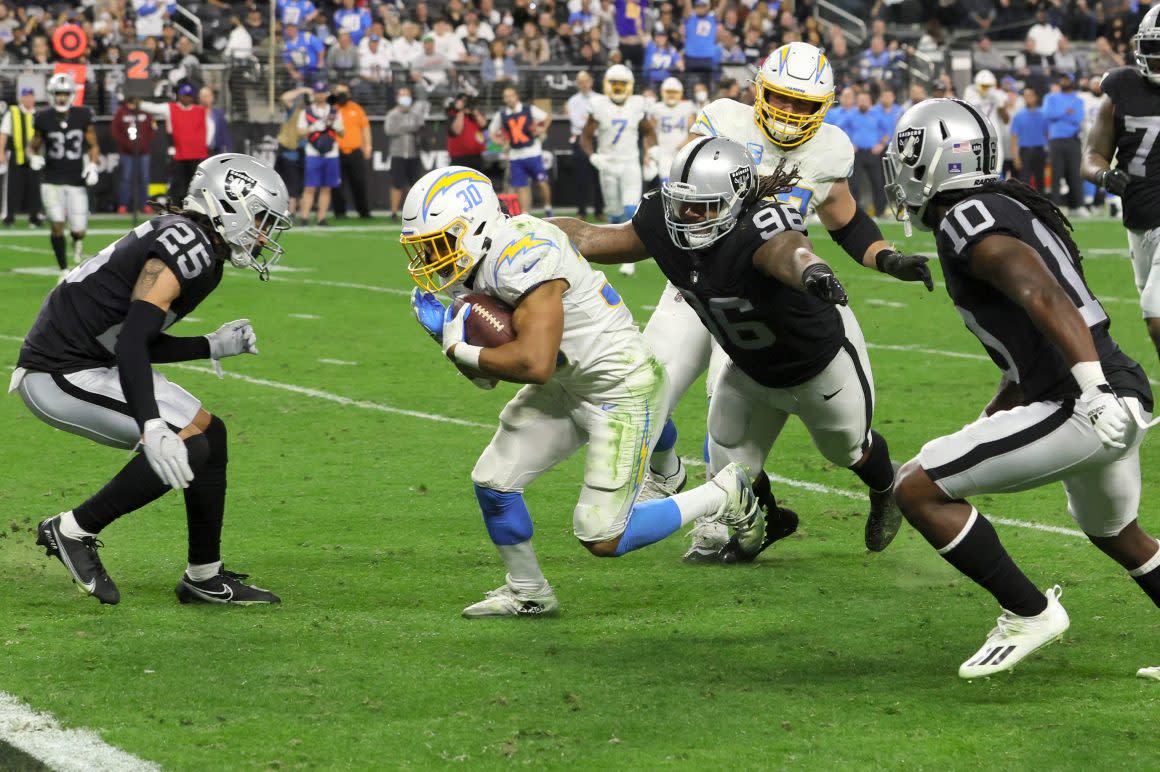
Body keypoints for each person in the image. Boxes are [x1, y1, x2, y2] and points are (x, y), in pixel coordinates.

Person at [402, 166, 760, 616]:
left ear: (473, 226)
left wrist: (457, 347)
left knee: (602, 535)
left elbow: (533, 363)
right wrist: (455, 346)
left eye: (437, 244)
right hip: (570, 382)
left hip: (621, 387)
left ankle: (724, 491)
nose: (429, 259)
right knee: (493, 483)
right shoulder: (476, 262)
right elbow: (492, 376)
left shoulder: (523, 255)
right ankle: (529, 591)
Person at [883, 98, 1158, 679]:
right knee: (1118, 534)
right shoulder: (1001, 202)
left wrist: (1088, 390)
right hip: (1113, 385)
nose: (900, 168)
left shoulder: (965, 215)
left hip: (1083, 401)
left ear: (939, 159)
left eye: (909, 156)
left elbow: (1041, 295)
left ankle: (1028, 612)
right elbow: (1031, 335)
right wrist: (1001, 408)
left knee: (917, 488)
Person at [554, 137, 900, 564]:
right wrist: (528, 233)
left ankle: (887, 488)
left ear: (737, 200)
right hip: (751, 368)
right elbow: (594, 237)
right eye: (683, 205)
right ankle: (771, 520)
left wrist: (813, 273)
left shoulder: (761, 225)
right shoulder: (665, 220)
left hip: (819, 366)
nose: (689, 216)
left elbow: (790, 252)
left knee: (847, 449)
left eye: (704, 206)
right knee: (729, 459)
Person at [649, 41, 931, 560]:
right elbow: (685, 181)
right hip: (700, 284)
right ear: (758, 89)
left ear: (824, 108)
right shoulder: (722, 121)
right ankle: (704, 491)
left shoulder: (828, 150)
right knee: (658, 395)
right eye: (781, 98)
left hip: (772, 297)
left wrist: (887, 258)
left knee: (818, 439)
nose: (790, 113)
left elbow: (845, 221)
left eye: (805, 105)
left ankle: (756, 513)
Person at [16, 154, 292, 606]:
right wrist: (151, 425)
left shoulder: (195, 242)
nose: (263, 234)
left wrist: (210, 345)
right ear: (229, 202)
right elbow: (130, 346)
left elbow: (133, 337)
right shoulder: (191, 248)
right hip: (58, 372)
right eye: (260, 218)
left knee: (209, 434)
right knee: (185, 443)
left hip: (91, 358)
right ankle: (71, 530)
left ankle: (203, 577)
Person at [1084, 5, 1160, 364]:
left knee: (1155, 312)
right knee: (1152, 311)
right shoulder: (1121, 88)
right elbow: (1093, 154)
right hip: (1138, 216)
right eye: (1155, 49)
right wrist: (1104, 174)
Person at [581, 64, 653, 275]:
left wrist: (654, 151)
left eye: (622, 85)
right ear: (607, 85)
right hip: (608, 162)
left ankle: (629, 259)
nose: (619, 89)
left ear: (629, 86)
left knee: (631, 208)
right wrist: (593, 156)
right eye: (615, 84)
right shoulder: (598, 105)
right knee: (613, 211)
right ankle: (612, 252)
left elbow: (648, 131)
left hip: (630, 161)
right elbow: (585, 136)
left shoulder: (637, 104)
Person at [28, 74, 100, 277]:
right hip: (51, 180)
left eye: (65, 93)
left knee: (79, 230)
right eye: (58, 94)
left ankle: (77, 240)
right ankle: (62, 269)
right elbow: (33, 145)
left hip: (76, 180)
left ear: (71, 95)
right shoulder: (43, 118)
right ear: (52, 95)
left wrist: (93, 165)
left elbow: (93, 145)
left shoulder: (83, 115)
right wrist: (32, 156)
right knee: (57, 224)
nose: (61, 98)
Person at [141, 83, 214, 208]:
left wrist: (205, 144)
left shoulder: (201, 111)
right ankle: (177, 209)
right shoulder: (170, 108)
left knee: (197, 186)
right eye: (184, 96)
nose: (186, 98)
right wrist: (139, 103)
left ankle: (197, 209)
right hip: (180, 155)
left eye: (189, 96)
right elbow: (153, 107)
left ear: (193, 97)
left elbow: (210, 126)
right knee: (178, 186)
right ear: (179, 96)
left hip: (198, 155)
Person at [489, 85, 552, 217]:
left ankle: (548, 207)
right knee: (521, 186)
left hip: (532, 152)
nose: (509, 99)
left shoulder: (528, 109)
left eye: (511, 95)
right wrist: (501, 142)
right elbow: (492, 132)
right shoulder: (502, 115)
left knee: (542, 182)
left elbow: (547, 117)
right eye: (506, 97)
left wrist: (542, 129)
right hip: (515, 155)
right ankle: (525, 213)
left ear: (516, 96)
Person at [297, 81, 345, 227]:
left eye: (322, 92)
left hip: (331, 153)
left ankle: (321, 218)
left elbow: (342, 133)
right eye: (317, 92)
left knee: (326, 187)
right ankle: (304, 217)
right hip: (313, 152)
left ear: (326, 94)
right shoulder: (306, 112)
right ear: (314, 94)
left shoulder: (334, 111)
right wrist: (313, 127)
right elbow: (300, 133)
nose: (320, 95)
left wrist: (337, 127)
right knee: (310, 187)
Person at [1044, 72, 1087, 217]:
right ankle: (1055, 207)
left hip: (1073, 140)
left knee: (1075, 174)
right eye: (1062, 78)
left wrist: (1059, 116)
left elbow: (1077, 118)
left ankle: (1077, 206)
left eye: (1067, 79)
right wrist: (1065, 112)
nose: (1064, 81)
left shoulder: (1078, 100)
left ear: (1072, 81)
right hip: (1056, 140)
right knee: (1056, 175)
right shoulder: (1051, 98)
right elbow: (1048, 114)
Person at [0, 86, 42, 228]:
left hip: (35, 159)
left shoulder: (39, 114)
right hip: (17, 157)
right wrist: (0, 152)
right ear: (21, 98)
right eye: (26, 96)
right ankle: (9, 218)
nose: (29, 99)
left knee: (35, 190)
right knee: (12, 189)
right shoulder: (12, 113)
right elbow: (4, 133)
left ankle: (35, 218)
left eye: (31, 96)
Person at [384, 86, 428, 220]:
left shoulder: (415, 114)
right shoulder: (392, 114)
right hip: (398, 154)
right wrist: (408, 128)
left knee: (414, 186)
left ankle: (412, 213)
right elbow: (389, 130)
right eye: (403, 95)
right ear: (398, 98)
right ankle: (393, 212)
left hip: (414, 154)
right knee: (397, 184)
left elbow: (421, 128)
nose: (405, 99)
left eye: (407, 95)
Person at [331, 83, 372, 220]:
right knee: (337, 184)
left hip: (355, 151)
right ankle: (340, 212)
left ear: (349, 94)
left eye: (344, 93)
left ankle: (364, 212)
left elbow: (365, 128)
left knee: (359, 182)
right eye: (339, 93)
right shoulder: (331, 109)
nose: (342, 96)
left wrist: (368, 146)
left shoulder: (356, 108)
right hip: (336, 151)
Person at [566, 71, 603, 220]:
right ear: (577, 83)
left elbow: (602, 120)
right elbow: (577, 122)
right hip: (581, 141)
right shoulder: (573, 101)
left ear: (591, 81)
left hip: (598, 140)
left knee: (599, 177)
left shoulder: (601, 99)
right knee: (581, 178)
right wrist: (592, 122)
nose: (583, 84)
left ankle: (599, 211)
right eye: (580, 81)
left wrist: (589, 122)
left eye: (586, 80)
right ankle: (581, 211)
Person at [646, 77, 697, 184]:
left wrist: (686, 143)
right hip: (663, 151)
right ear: (662, 92)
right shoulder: (656, 108)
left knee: (683, 182)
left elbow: (694, 131)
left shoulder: (687, 106)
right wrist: (648, 152)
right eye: (668, 92)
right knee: (666, 184)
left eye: (674, 92)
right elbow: (649, 133)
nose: (671, 95)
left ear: (680, 93)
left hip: (682, 151)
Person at [111, 95, 156, 215]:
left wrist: (144, 145)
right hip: (126, 152)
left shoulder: (146, 112)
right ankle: (123, 205)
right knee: (125, 179)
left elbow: (152, 130)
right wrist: (128, 146)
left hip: (143, 152)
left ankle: (145, 205)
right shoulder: (121, 112)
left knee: (145, 179)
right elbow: (115, 132)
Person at [847, 91, 890, 216]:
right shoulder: (851, 115)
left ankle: (879, 212)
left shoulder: (877, 115)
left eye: (865, 100)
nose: (862, 102)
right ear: (857, 101)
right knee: (854, 184)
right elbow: (840, 129)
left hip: (873, 153)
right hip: (857, 153)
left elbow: (888, 132)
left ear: (870, 102)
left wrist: (881, 145)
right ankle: (855, 213)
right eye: (860, 100)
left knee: (878, 183)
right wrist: (850, 143)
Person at [1010, 88, 1048, 190]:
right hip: (1024, 153)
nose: (1028, 98)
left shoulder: (1043, 115)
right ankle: (1024, 205)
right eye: (1025, 96)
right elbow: (1014, 138)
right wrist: (1016, 157)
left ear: (1035, 97)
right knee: (1024, 181)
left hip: (1039, 151)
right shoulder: (1018, 116)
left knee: (1040, 180)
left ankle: (1041, 205)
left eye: (1030, 96)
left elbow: (1048, 134)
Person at [446, 92, 488, 172]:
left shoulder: (475, 114)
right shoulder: (453, 113)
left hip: (477, 156)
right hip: (459, 157)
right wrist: (460, 110)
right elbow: (456, 131)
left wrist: (474, 110)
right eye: (464, 101)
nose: (466, 103)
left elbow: (484, 125)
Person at [200, 87, 232, 156]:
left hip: (216, 150)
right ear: (200, 98)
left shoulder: (219, 113)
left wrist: (229, 150)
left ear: (212, 97)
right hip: (200, 151)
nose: (206, 98)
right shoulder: (196, 113)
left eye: (208, 96)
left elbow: (225, 133)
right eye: (203, 96)